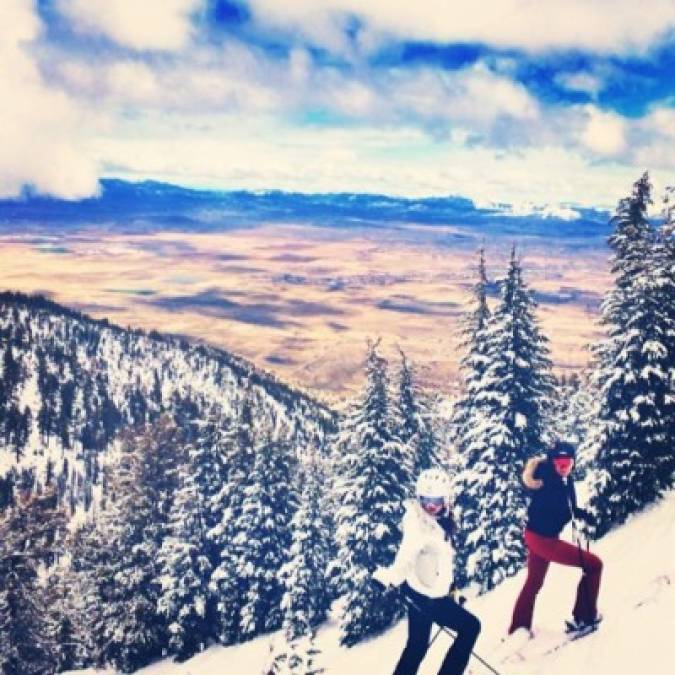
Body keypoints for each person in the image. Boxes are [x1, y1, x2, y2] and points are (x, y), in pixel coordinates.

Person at [373, 468, 481, 675]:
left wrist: (451, 590)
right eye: (425, 500)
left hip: (431, 595)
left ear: (446, 500)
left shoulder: (442, 522)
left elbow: (440, 563)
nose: (430, 507)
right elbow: (406, 556)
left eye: (436, 501)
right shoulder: (417, 524)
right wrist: (389, 578)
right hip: (425, 598)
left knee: (418, 646)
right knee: (469, 628)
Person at [509, 440, 603, 637]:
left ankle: (518, 628)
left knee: (533, 582)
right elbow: (549, 504)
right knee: (594, 565)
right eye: (559, 464)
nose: (564, 468)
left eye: (567, 463)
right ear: (552, 463)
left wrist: (584, 515)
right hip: (543, 539)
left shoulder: (565, 481)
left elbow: (571, 507)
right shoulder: (548, 482)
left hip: (539, 536)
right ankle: (584, 618)